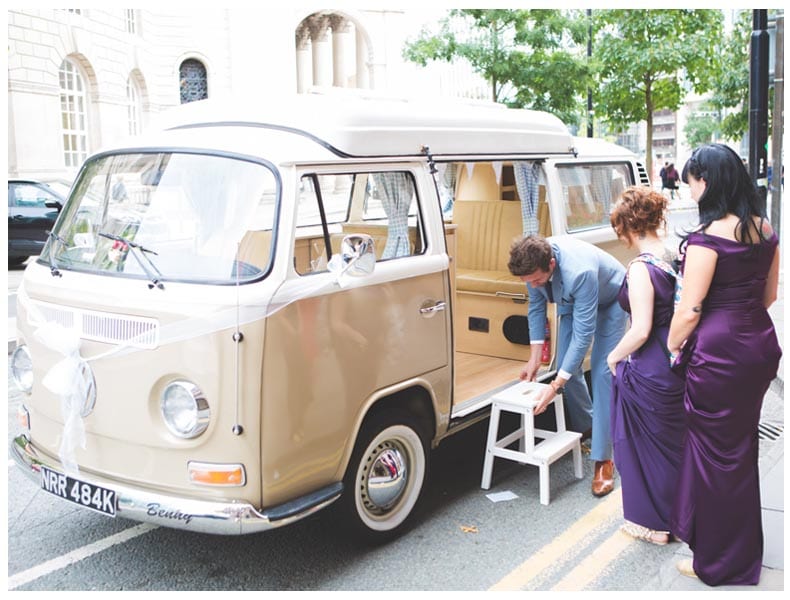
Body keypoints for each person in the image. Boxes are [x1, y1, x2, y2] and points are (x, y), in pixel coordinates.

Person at [668, 143, 781, 586]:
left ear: (708, 181)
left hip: (719, 355)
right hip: (757, 347)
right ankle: (739, 552)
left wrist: (673, 347)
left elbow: (690, 310)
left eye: (693, 179)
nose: (689, 187)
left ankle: (717, 562)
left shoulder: (708, 237)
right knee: (737, 453)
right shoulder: (763, 228)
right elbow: (769, 297)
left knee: (715, 459)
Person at [508, 235, 627, 497]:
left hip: (611, 302)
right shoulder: (533, 268)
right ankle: (592, 426)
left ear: (551, 263)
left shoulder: (579, 272)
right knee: (564, 366)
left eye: (536, 280)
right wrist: (534, 359)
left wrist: (554, 386)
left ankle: (604, 459)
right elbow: (536, 309)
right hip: (573, 301)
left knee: (602, 372)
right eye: (527, 282)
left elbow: (584, 336)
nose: (532, 285)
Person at [606, 187, 686, 546]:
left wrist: (613, 356)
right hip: (675, 357)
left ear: (627, 226)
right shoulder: (671, 255)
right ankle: (682, 515)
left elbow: (640, 329)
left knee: (644, 447)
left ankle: (654, 524)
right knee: (672, 445)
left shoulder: (641, 268)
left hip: (651, 361)